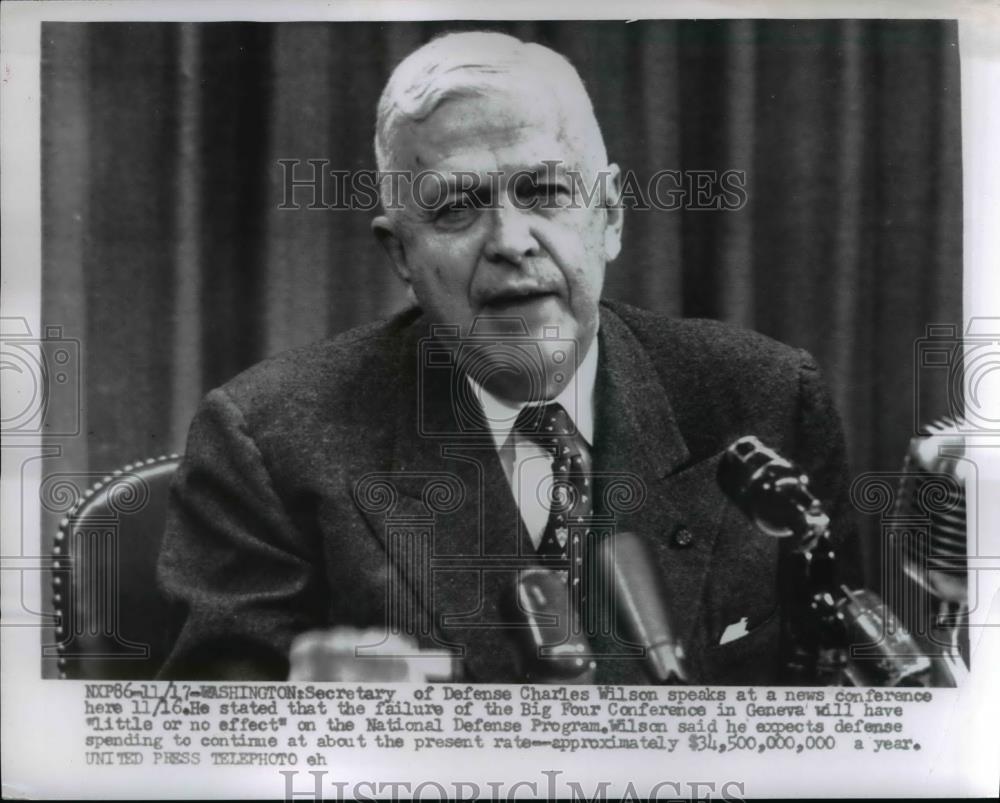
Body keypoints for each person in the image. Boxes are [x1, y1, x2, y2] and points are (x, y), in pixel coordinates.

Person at [157, 31, 859, 683]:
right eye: (457, 206)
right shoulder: (268, 443)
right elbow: (208, 747)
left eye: (545, 191)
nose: (510, 241)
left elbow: (866, 707)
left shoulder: (764, 398)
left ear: (610, 216)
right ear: (401, 252)